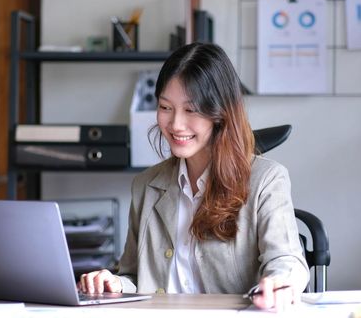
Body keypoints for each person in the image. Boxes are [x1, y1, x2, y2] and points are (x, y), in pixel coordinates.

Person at [78, 42, 309, 311]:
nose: (175, 124)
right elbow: (133, 275)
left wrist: (279, 283)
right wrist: (113, 283)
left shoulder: (267, 180)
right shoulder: (146, 185)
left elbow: (287, 260)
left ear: (220, 113)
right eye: (165, 107)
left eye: (191, 110)